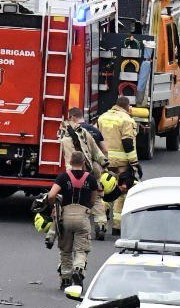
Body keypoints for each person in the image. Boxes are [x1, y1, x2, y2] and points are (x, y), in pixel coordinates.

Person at [48, 151, 98, 290]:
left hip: (65, 217)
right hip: (82, 217)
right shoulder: (91, 178)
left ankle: (65, 280)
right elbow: (93, 199)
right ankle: (78, 269)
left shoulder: (63, 177)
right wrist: (87, 208)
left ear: (70, 161)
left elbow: (52, 195)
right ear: (83, 163)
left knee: (65, 250)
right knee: (81, 249)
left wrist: (55, 205)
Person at [60, 108, 110, 240]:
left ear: (71, 118)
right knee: (97, 197)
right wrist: (103, 165)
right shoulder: (89, 132)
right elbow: (99, 152)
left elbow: (66, 159)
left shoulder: (65, 139)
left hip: (74, 173)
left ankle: (73, 227)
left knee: (74, 199)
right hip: (93, 170)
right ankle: (100, 226)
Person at [97, 96, 141, 236]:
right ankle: (117, 227)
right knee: (121, 192)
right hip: (121, 163)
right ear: (127, 107)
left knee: (105, 191)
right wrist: (134, 163)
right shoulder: (127, 120)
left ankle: (101, 224)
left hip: (104, 161)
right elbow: (128, 143)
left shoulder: (102, 117)